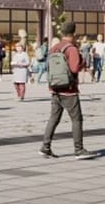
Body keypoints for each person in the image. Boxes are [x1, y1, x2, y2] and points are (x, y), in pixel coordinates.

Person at [41, 20, 95, 159]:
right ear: (74, 33)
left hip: (54, 88)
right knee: (77, 119)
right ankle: (79, 150)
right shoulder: (71, 48)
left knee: (53, 118)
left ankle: (45, 147)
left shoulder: (54, 48)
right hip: (69, 90)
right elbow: (74, 68)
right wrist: (83, 61)